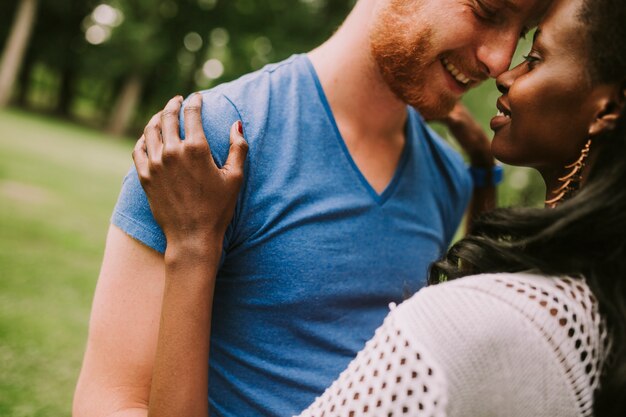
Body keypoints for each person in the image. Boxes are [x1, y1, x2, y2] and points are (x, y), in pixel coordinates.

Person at [126, 0, 626, 415]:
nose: (499, 61)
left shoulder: (448, 179)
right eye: (488, 10)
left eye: (524, 41)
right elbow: (115, 397)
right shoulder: (204, 141)